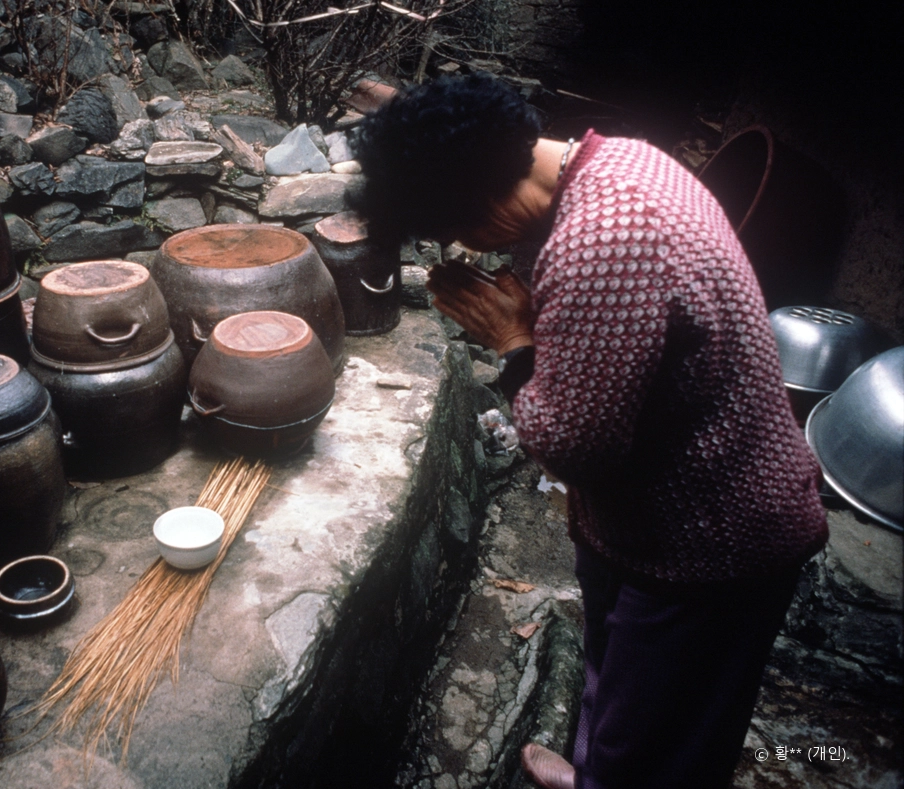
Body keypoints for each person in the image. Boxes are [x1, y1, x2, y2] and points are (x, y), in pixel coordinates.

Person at [348, 74, 829, 789]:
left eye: (456, 227)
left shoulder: (601, 242)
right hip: (663, 517)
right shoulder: (623, 158)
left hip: (710, 543)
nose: (465, 244)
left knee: (660, 748)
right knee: (620, 684)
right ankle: (597, 766)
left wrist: (513, 341)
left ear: (482, 195)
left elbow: (574, 448)